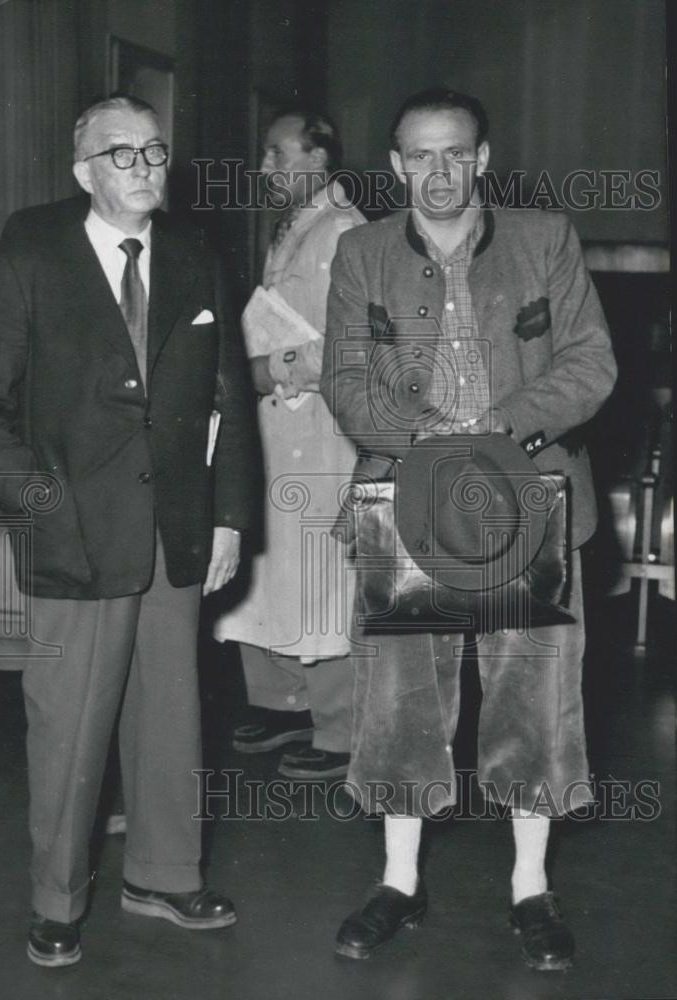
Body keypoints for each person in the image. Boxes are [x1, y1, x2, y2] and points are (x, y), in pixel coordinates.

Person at [0, 95, 257, 967]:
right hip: (75, 526)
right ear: (83, 170)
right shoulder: (32, 243)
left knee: (171, 709)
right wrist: (35, 498)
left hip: (176, 525)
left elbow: (228, 397)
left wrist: (232, 514)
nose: (145, 165)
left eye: (155, 150)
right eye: (121, 153)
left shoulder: (198, 251)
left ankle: (163, 872)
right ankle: (58, 898)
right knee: (68, 719)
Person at [321, 88, 617, 967]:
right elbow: (345, 382)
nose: (438, 172)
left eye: (455, 154)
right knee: (400, 704)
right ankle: (398, 884)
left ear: (483, 158)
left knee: (533, 705)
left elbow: (589, 360)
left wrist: (502, 425)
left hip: (526, 493)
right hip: (403, 497)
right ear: (394, 165)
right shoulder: (359, 253)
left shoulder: (543, 239)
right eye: (420, 156)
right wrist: (418, 437)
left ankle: (530, 888)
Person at [214, 111, 364, 779]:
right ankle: (282, 703)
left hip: (319, 431)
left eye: (278, 154)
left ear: (319, 157)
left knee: (321, 574)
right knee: (267, 565)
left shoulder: (345, 233)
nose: (266, 168)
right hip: (273, 427)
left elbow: (343, 349)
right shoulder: (294, 229)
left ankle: (339, 729)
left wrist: (261, 369)